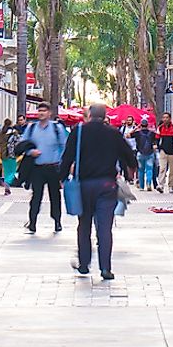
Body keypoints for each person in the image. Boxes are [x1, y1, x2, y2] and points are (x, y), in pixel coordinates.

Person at [59, 103, 137, 280]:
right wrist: (129, 171)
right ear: (105, 116)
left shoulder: (78, 133)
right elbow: (128, 156)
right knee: (104, 228)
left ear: (89, 115)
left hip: (84, 185)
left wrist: (62, 178)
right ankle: (105, 268)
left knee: (84, 225)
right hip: (107, 185)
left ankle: (84, 264)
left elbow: (67, 157)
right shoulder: (113, 133)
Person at [21, 102, 67, 233]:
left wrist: (62, 164)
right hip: (37, 168)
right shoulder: (31, 128)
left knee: (55, 196)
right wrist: (31, 152)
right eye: (39, 111)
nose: (41, 113)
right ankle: (33, 222)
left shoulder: (57, 129)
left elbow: (64, 147)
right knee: (36, 196)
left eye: (44, 111)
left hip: (53, 167)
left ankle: (57, 221)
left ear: (49, 113)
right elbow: (23, 144)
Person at [155, 112, 173, 193]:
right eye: (164, 117)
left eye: (167, 117)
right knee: (162, 168)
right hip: (163, 151)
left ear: (170, 118)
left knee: (172, 170)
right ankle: (161, 185)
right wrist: (159, 148)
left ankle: (171, 186)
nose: (165, 119)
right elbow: (157, 139)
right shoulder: (160, 128)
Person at [134, 118, 158, 191]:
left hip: (140, 153)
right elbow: (157, 138)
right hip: (150, 153)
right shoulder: (152, 133)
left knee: (140, 170)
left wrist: (136, 128)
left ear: (141, 125)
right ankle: (148, 183)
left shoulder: (137, 133)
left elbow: (127, 135)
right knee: (149, 169)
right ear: (147, 125)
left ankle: (141, 186)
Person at [0, 118, 16, 195]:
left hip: (3, 154)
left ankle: (6, 187)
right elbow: (17, 142)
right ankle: (6, 183)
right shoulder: (13, 133)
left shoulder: (1, 134)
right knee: (12, 171)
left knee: (6, 171)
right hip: (11, 154)